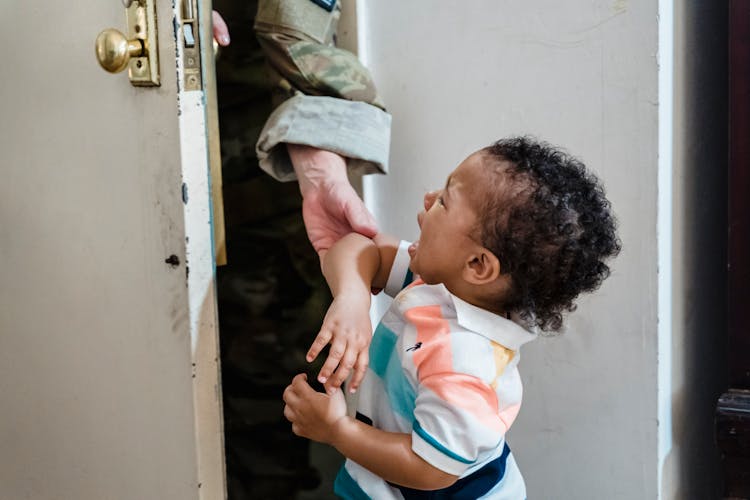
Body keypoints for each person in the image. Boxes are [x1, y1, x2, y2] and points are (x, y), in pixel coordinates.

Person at [283, 136, 622, 498]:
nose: (428, 198)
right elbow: (357, 248)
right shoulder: (443, 286)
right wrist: (352, 299)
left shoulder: (464, 367)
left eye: (444, 201)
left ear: (477, 264)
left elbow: (429, 470)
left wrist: (336, 429)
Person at [210, 1, 391, 497]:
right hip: (150, 120)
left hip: (270, 146)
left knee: (274, 352)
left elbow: (294, 25)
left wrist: (319, 166)